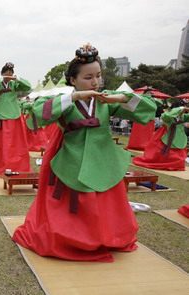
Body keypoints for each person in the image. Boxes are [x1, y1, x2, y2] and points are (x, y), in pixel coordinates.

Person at [13, 44, 157, 262]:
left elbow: (149, 109)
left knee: (105, 203)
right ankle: (73, 238)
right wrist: (73, 97)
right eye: (88, 77)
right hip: (72, 157)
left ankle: (106, 236)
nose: (95, 82)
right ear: (73, 80)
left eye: (98, 76)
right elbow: (36, 114)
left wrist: (122, 98)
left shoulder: (106, 101)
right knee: (74, 205)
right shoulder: (66, 101)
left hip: (103, 158)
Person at [0, 62, 32, 175]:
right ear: (2, 73)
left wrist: (16, 79)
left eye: (10, 72)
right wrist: (1, 78)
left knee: (14, 141)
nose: (8, 74)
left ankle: (14, 163)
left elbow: (27, 87)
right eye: (6, 72)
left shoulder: (14, 85)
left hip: (13, 114)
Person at [132, 106, 189, 171]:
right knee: (162, 152)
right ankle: (165, 163)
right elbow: (167, 115)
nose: (182, 112)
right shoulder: (167, 116)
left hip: (179, 137)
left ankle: (176, 165)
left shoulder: (183, 117)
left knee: (178, 152)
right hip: (167, 136)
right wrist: (180, 108)